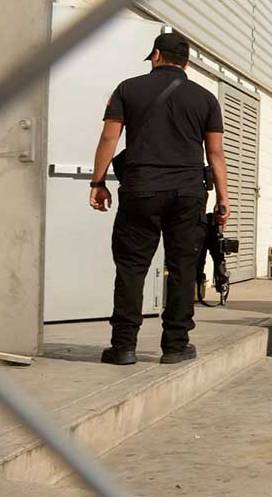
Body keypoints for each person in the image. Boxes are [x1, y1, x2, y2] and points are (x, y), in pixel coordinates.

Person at [90, 30, 229, 366]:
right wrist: (223, 200)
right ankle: (175, 346)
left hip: (141, 189)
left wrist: (98, 181)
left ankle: (123, 346)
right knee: (182, 267)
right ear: (186, 61)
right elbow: (216, 153)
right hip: (187, 193)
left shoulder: (128, 89)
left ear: (155, 55)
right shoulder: (206, 98)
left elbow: (110, 137)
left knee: (131, 267)